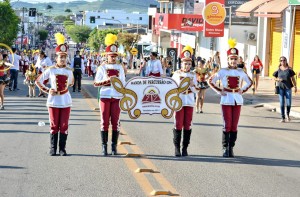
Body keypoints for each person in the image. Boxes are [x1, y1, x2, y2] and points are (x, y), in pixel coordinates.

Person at [208, 39, 253, 158]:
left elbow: (250, 82)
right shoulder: (223, 71)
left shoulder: (241, 71)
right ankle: (224, 148)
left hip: (237, 99)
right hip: (226, 99)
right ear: (228, 59)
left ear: (238, 60)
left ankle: (231, 147)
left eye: (235, 59)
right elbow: (210, 81)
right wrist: (219, 91)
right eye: (231, 59)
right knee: (227, 124)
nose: (233, 61)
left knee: (234, 125)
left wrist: (242, 90)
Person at [35, 33, 74, 156]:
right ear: (56, 57)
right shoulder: (50, 69)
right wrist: (48, 90)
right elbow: (38, 81)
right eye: (60, 57)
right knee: (54, 125)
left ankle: (62, 149)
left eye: (64, 57)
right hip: (53, 100)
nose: (62, 59)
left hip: (65, 100)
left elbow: (71, 83)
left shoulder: (69, 71)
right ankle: (53, 148)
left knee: (64, 125)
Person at [94, 33, 126, 156]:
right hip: (105, 96)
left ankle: (114, 147)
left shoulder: (120, 67)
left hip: (117, 97)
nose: (113, 58)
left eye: (114, 56)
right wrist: (108, 81)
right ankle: (104, 146)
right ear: (106, 56)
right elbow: (96, 83)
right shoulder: (102, 68)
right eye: (111, 56)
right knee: (104, 121)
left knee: (116, 122)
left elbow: (123, 83)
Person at [172, 45, 198, 157]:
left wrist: (192, 85)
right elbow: (171, 88)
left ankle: (185, 148)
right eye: (184, 63)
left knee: (188, 125)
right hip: (179, 101)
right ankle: (177, 148)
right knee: (178, 124)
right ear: (181, 63)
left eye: (188, 63)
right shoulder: (177, 74)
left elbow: (197, 89)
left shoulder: (193, 75)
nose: (186, 65)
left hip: (189, 101)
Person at [273, 56, 297, 122]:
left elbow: (293, 79)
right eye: (281, 60)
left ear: (286, 61)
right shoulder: (278, 69)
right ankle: (283, 117)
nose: (282, 61)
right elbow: (274, 78)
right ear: (280, 62)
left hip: (288, 88)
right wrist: (278, 79)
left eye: (284, 60)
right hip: (280, 88)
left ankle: (288, 115)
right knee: (281, 103)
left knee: (288, 103)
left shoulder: (289, 69)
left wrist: (295, 86)